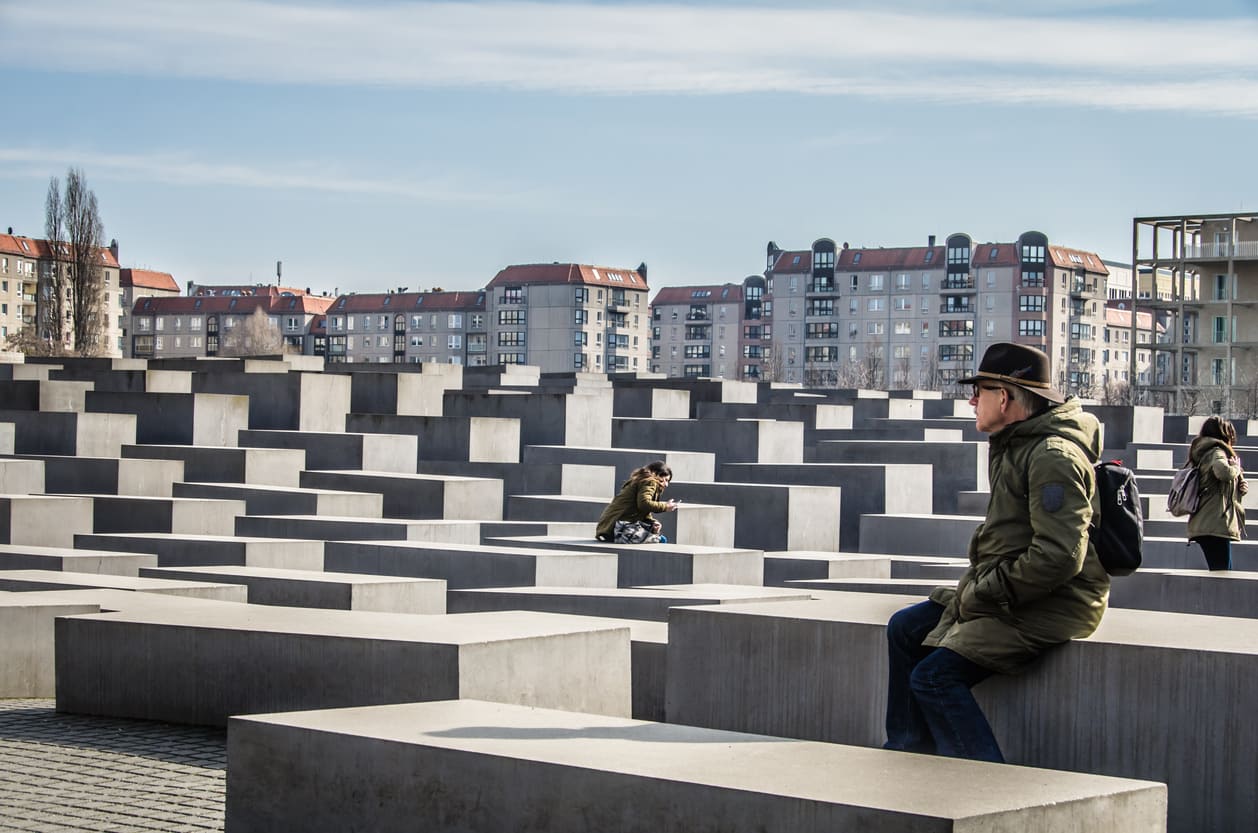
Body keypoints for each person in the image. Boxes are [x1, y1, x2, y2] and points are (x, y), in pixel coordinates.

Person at [884, 342, 1110, 763]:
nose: (972, 401)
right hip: (1009, 590)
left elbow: (1059, 558)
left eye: (980, 391)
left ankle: (990, 789)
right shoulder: (1017, 445)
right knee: (904, 628)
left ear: (1004, 397)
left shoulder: (1052, 456)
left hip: (1052, 603)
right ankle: (908, 754)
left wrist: (987, 592)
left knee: (934, 678)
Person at [1187, 415, 1248, 570]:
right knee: (1223, 576)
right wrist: (1235, 467)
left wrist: (1240, 485)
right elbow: (1223, 472)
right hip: (1214, 523)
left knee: (1221, 572)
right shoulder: (1217, 452)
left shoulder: (1206, 452)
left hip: (1210, 522)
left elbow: (1218, 483)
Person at [595, 461, 678, 543]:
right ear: (655, 473)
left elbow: (641, 509)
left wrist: (652, 522)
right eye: (664, 480)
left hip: (608, 528)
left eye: (668, 481)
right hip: (618, 528)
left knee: (653, 531)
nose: (666, 484)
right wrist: (665, 506)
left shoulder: (640, 480)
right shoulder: (650, 481)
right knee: (660, 539)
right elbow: (644, 504)